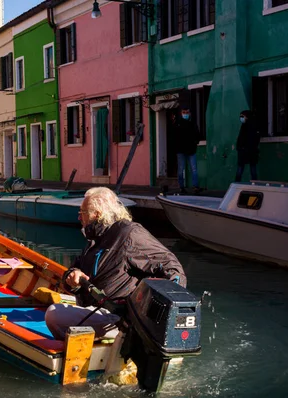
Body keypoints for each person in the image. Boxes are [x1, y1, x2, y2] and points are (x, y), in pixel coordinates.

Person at [44, 187, 187, 340]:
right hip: (92, 309)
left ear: (97, 214)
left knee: (54, 314)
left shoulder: (129, 234)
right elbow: (75, 267)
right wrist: (73, 276)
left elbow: (172, 267)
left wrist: (168, 307)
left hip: (116, 319)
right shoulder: (96, 238)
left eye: (82, 213)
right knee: (58, 310)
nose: (79, 218)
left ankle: (84, 350)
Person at [173, 107, 201, 193]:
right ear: (181, 113)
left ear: (189, 113)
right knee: (181, 169)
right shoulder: (178, 123)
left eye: (187, 112)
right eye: (184, 112)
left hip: (191, 150)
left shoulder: (192, 123)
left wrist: (195, 142)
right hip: (181, 150)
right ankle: (181, 187)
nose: (185, 114)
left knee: (194, 169)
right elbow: (174, 137)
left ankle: (195, 186)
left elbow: (197, 135)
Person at [235, 110, 260, 182]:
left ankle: (237, 183)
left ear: (247, 117)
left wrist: (241, 147)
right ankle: (255, 183)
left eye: (242, 116)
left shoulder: (249, 127)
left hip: (247, 150)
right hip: (249, 150)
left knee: (242, 168)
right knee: (252, 167)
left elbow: (244, 139)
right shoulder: (248, 126)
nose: (241, 118)